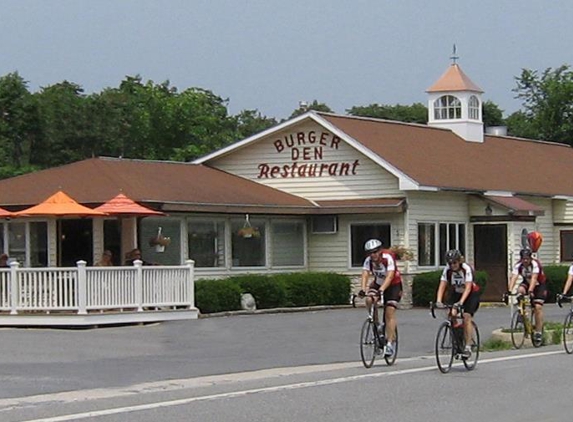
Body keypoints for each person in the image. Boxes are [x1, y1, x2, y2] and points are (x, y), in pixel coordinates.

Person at [360, 239, 402, 357]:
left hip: (393, 285)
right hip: (378, 283)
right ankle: (377, 325)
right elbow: (365, 274)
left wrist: (382, 290)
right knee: (369, 300)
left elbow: (389, 276)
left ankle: (389, 344)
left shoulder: (387, 258)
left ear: (380, 251)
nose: (372, 255)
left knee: (389, 312)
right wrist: (363, 289)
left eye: (374, 252)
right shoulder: (369, 261)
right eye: (370, 253)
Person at [435, 249, 480, 359]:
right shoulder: (447, 270)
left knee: (466, 316)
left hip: (471, 294)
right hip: (457, 292)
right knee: (452, 314)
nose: (452, 265)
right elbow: (442, 285)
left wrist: (460, 303)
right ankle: (458, 339)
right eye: (450, 263)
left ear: (459, 261)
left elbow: (468, 287)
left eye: (454, 262)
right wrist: (438, 301)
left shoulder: (466, 269)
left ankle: (468, 347)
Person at [508, 247, 547, 344]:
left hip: (539, 284)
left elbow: (534, 278)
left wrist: (530, 291)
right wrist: (509, 290)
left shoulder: (535, 264)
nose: (525, 260)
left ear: (530, 258)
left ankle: (538, 332)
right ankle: (521, 312)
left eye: (527, 258)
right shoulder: (518, 265)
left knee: (537, 307)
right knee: (520, 290)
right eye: (523, 258)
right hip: (527, 282)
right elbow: (514, 277)